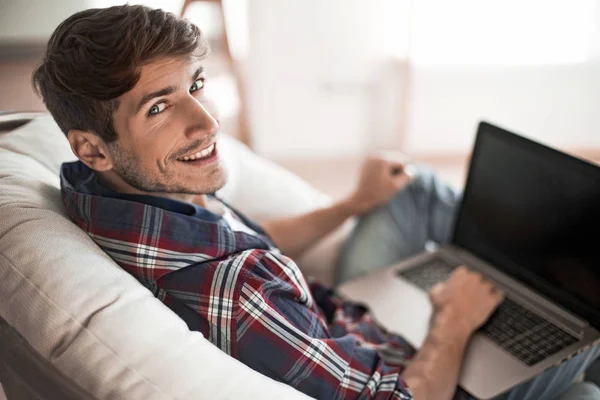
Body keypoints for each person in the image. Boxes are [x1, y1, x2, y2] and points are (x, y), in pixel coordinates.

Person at [32, 5, 600, 400]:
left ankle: (517, 274)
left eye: (196, 85)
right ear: (92, 147)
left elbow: (253, 241)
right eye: (159, 108)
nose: (205, 122)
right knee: (583, 357)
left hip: (348, 309)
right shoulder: (231, 289)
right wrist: (453, 321)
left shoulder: (115, 193)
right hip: (412, 364)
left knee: (414, 185)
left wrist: (353, 204)